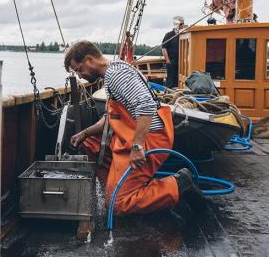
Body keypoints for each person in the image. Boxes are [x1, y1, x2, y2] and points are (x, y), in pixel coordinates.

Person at [65, 40, 202, 215]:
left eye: (78, 70)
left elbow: (146, 106)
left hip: (150, 139)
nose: (80, 76)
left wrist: (137, 147)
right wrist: (85, 133)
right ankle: (114, 187)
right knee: (91, 143)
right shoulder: (112, 71)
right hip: (129, 136)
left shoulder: (116, 75)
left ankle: (178, 184)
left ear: (90, 60)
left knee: (117, 205)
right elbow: (112, 116)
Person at [161, 16, 184, 88]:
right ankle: (169, 94)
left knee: (179, 80)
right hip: (171, 61)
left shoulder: (184, 34)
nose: (182, 26)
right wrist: (168, 61)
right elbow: (164, 48)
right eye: (181, 24)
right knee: (170, 81)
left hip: (182, 62)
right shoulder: (169, 35)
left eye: (183, 24)